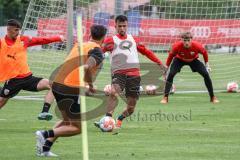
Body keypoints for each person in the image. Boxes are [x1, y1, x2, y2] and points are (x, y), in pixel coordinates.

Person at [35, 24, 107, 157]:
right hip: (70, 88)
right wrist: (90, 86)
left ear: (90, 34)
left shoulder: (80, 45)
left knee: (67, 121)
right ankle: (44, 134)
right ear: (104, 37)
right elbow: (86, 67)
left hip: (57, 84)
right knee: (77, 128)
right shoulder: (97, 51)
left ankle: (45, 148)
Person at [94, 15, 167, 129]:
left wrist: (159, 63)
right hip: (119, 73)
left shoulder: (133, 39)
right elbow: (99, 52)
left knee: (131, 108)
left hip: (134, 75)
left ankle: (119, 119)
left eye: (124, 26)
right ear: (115, 26)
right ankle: (107, 119)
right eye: (120, 26)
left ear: (127, 26)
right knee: (114, 92)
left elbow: (146, 52)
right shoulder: (111, 40)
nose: (122, 28)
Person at [0, 19, 65, 120]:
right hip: (13, 81)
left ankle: (44, 112)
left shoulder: (23, 40)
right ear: (9, 30)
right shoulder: (1, 43)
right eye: (16, 30)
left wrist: (58, 38)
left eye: (19, 30)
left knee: (53, 85)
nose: (18, 33)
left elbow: (41, 40)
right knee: (2, 102)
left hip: (28, 78)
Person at [160, 31, 219, 104]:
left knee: (206, 74)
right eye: (185, 40)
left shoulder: (197, 46)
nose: (186, 42)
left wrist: (207, 64)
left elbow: (204, 53)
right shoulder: (176, 46)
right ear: (182, 40)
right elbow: (170, 56)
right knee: (171, 74)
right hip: (179, 60)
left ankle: (212, 97)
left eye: (188, 40)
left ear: (191, 39)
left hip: (193, 60)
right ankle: (165, 98)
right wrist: (166, 68)